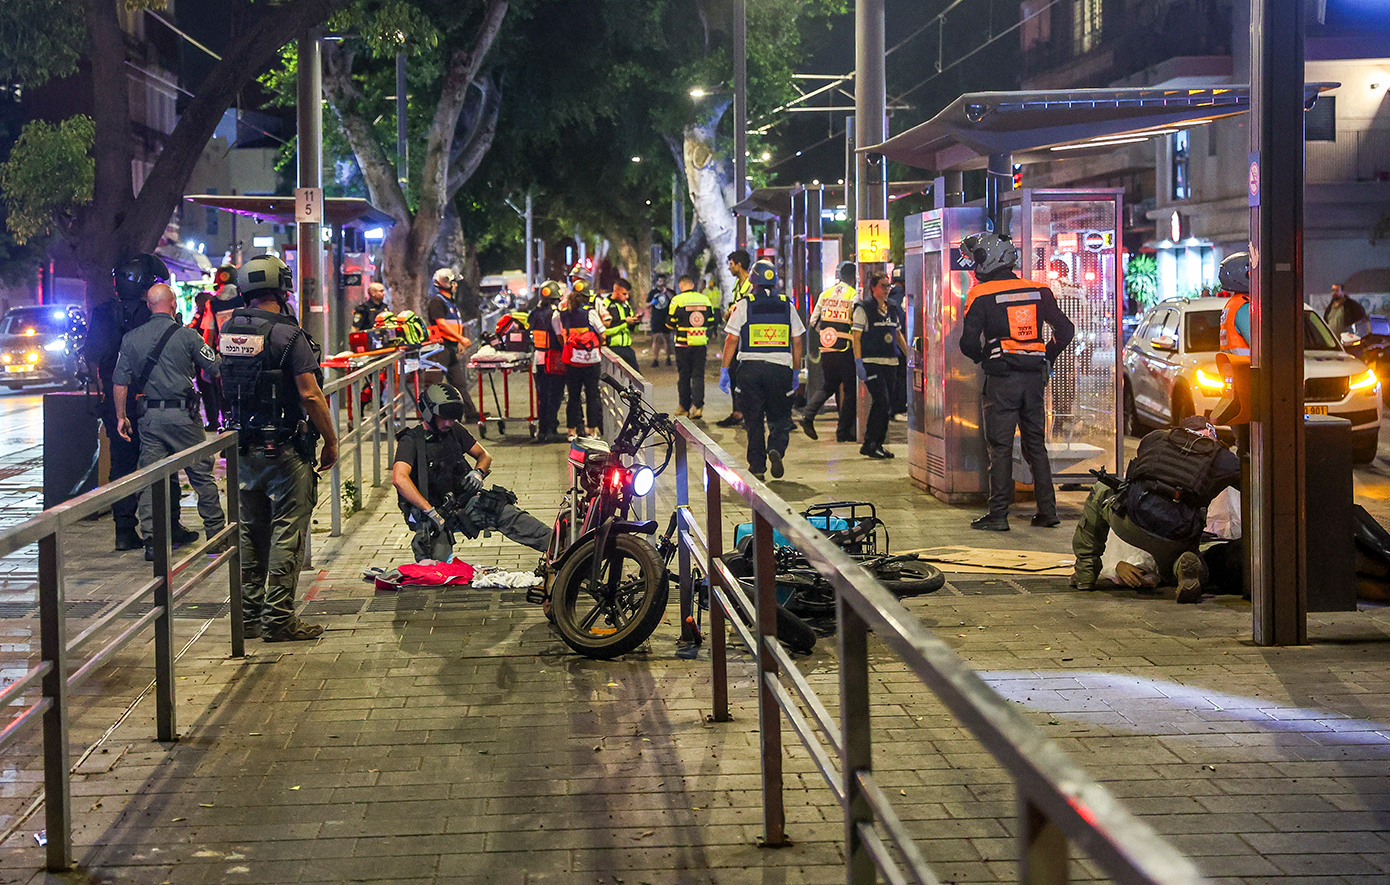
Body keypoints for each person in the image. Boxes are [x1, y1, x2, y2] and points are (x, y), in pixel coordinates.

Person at [220, 254, 339, 642]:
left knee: (249, 535)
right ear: (282, 288)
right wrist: (332, 440)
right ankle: (278, 619)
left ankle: (249, 617)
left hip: (242, 449)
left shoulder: (228, 330)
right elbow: (311, 394)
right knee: (287, 534)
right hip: (285, 450)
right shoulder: (289, 335)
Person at [958, 230, 1075, 532]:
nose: (973, 267)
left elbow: (968, 343)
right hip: (1034, 379)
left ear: (987, 260)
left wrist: (985, 355)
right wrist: (1045, 355)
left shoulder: (979, 295)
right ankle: (1048, 512)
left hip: (1001, 381)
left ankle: (998, 515)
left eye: (975, 260)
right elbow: (1066, 330)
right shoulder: (1039, 290)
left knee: (1000, 448)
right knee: (1036, 445)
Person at [84, 253, 190, 552]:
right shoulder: (153, 313)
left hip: (116, 401)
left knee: (121, 464)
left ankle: (124, 530)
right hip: (151, 400)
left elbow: (91, 355)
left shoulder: (103, 313)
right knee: (163, 461)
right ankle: (168, 527)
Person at [1071, 416, 1241, 603]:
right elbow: (1251, 483)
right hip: (1175, 535)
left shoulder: (1155, 438)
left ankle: (1085, 572)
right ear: (1211, 435)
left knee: (1100, 490)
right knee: (1176, 564)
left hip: (1131, 522)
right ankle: (1181, 567)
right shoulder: (1222, 458)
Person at [112, 283, 226, 561]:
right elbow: (215, 367)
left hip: (149, 418)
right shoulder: (188, 336)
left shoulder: (131, 338)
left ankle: (152, 540)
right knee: (201, 475)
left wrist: (121, 417)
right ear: (173, 304)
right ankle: (216, 535)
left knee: (152, 478)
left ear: (149, 306)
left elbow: (119, 382)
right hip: (184, 417)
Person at [392, 383, 552, 562]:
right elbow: (399, 478)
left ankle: (561, 547)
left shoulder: (454, 430)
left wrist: (478, 473)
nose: (448, 423)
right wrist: (429, 511)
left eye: (452, 418)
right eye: (443, 418)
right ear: (429, 414)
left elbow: (484, 455)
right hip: (432, 514)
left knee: (503, 511)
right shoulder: (411, 441)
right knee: (436, 568)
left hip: (464, 503)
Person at [719, 260, 804, 481]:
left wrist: (725, 370)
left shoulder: (745, 305)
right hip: (780, 371)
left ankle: (757, 467)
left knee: (754, 421)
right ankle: (775, 448)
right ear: (775, 282)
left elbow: (731, 340)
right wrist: (796, 371)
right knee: (780, 417)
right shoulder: (787, 305)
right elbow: (797, 342)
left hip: (750, 371)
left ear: (753, 281)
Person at [853, 272, 910, 459]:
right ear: (873, 288)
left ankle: (877, 443)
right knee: (881, 400)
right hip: (872, 362)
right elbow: (857, 337)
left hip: (890, 362)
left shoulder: (892, 308)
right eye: (883, 286)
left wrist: (908, 354)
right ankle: (870, 442)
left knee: (887, 404)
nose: (887, 290)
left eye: (888, 286)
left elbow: (898, 334)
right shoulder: (863, 309)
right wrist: (858, 362)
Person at [801, 261, 859, 443]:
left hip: (827, 348)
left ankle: (808, 415)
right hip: (846, 349)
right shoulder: (853, 295)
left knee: (829, 385)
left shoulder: (826, 294)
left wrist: (828, 335)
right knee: (850, 391)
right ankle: (843, 432)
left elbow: (813, 321)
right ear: (853, 277)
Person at [427, 269, 481, 423]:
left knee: (459, 383)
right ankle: (430, 416)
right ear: (446, 283)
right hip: (440, 348)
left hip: (450, 347)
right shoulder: (437, 302)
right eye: (454, 282)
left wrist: (457, 342)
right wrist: (461, 338)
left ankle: (471, 414)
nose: (456, 285)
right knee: (434, 384)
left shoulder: (450, 302)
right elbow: (442, 325)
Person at [555, 285, 605, 439]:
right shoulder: (590, 313)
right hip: (591, 362)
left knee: (573, 397)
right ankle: (592, 431)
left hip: (572, 362)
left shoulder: (561, 315)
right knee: (592, 396)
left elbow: (559, 336)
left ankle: (572, 432)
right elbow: (602, 333)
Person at [667, 274, 716, 418]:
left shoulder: (677, 300)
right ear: (693, 285)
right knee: (698, 376)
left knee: (684, 376)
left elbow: (670, 322)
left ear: (681, 286)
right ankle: (698, 407)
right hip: (700, 343)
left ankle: (684, 407)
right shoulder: (705, 299)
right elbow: (711, 320)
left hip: (683, 344)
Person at [715, 250, 754, 428]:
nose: (729, 267)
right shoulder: (738, 285)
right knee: (735, 374)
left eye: (731, 264)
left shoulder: (751, 285)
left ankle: (747, 413)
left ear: (739, 264)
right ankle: (738, 412)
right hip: (739, 335)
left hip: (750, 338)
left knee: (746, 376)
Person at [528, 280, 567, 444]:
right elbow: (560, 337)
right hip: (553, 360)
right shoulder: (555, 314)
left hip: (538, 360)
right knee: (555, 396)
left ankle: (542, 430)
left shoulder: (534, 313)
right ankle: (551, 429)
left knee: (542, 397)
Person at [601, 278, 640, 371]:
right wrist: (625, 323)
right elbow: (604, 329)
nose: (627, 297)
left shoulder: (626, 305)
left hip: (626, 347)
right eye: (624, 294)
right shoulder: (605, 304)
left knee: (636, 378)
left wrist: (635, 322)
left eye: (627, 294)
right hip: (611, 348)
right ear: (616, 291)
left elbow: (632, 329)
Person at [888, 265, 908, 419]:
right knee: (901, 377)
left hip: (886, 346)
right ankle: (899, 408)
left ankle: (890, 408)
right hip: (899, 345)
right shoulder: (903, 299)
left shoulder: (887, 297)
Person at [647, 274, 675, 367]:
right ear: (657, 282)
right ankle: (655, 359)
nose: (661, 283)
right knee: (656, 338)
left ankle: (668, 358)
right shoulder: (653, 292)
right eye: (660, 281)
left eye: (663, 281)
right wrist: (652, 302)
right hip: (656, 318)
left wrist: (666, 292)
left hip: (666, 318)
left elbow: (674, 300)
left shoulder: (670, 292)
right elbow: (647, 305)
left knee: (667, 339)